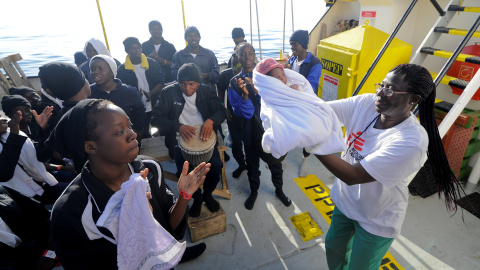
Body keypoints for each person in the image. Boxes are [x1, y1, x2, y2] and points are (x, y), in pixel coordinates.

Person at [315, 64, 463, 269]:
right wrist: (296, 97)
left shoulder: (411, 140)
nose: (379, 93)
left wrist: (313, 143)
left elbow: (353, 175)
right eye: (382, 85)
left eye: (390, 89)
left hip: (377, 218)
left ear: (414, 99)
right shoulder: (365, 104)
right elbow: (321, 113)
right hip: (346, 200)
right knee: (333, 248)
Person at [50, 99, 209, 269]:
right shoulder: (71, 211)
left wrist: (184, 196)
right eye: (119, 132)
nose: (133, 134)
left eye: (130, 126)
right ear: (90, 147)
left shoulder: (150, 168)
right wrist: (140, 223)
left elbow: (169, 227)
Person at [151, 63, 225, 217]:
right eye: (182, 84)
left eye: (192, 84)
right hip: (179, 139)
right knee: (184, 173)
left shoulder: (207, 90)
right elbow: (155, 118)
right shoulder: (168, 93)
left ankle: (207, 195)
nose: (187, 88)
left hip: (205, 136)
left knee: (216, 167)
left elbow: (221, 111)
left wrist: (210, 120)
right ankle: (197, 198)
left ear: (198, 82)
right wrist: (178, 126)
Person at [228, 42, 291, 210]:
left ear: (255, 55)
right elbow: (241, 112)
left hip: (271, 126)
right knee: (252, 163)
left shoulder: (266, 75)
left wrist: (257, 89)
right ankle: (254, 190)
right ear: (238, 58)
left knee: (276, 162)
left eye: (250, 53)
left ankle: (279, 189)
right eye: (243, 54)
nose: (247, 56)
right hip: (249, 129)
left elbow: (279, 97)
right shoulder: (234, 82)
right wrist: (246, 95)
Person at [0, 109, 68, 205]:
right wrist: (13, 135)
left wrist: (43, 130)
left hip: (42, 183)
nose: (3, 119)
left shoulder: (12, 134)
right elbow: (5, 172)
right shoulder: (13, 135)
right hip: (23, 200)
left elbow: (40, 158)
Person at [287, 29, 323, 176]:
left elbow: (313, 85)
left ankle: (305, 160)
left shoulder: (315, 63)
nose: (292, 47)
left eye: (294, 44)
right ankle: (283, 154)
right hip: (292, 101)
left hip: (306, 103)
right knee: (289, 128)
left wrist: (299, 88)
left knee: (307, 134)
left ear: (302, 44)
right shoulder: (292, 59)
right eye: (291, 44)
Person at [89, 54, 146, 141]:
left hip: (127, 139)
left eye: (100, 69)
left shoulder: (130, 92)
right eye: (92, 69)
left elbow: (140, 114)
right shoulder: (89, 93)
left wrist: (136, 131)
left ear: (112, 72)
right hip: (101, 142)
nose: (95, 72)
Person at [117, 37, 165, 139]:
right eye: (133, 48)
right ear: (127, 51)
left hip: (154, 103)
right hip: (137, 108)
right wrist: (134, 96)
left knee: (161, 128)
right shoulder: (122, 69)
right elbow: (121, 90)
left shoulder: (152, 63)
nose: (137, 51)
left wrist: (151, 93)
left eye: (139, 48)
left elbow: (161, 82)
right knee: (142, 132)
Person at [217, 54, 246, 178]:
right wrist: (224, 107)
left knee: (251, 145)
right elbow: (220, 92)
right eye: (232, 65)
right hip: (232, 115)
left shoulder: (253, 74)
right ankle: (242, 164)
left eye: (238, 65)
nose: (235, 68)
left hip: (249, 117)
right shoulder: (225, 75)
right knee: (236, 145)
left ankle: (251, 166)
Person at [171, 26, 219, 93]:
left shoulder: (209, 54)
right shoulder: (178, 56)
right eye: (190, 36)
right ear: (186, 38)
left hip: (208, 93)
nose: (193, 38)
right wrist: (190, 78)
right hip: (187, 94)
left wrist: (205, 75)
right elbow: (174, 74)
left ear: (199, 38)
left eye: (196, 36)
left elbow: (216, 73)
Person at [142, 20, 177, 85]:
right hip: (150, 83)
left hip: (168, 82)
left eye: (158, 29)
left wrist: (162, 61)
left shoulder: (170, 46)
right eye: (154, 29)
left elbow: (176, 64)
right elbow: (138, 63)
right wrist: (147, 59)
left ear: (162, 30)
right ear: (150, 31)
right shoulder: (144, 46)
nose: (156, 31)